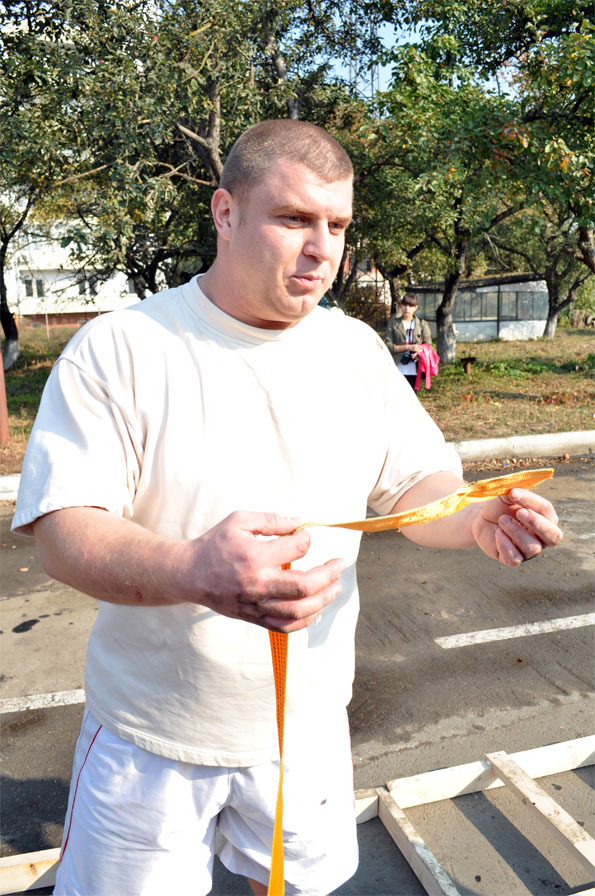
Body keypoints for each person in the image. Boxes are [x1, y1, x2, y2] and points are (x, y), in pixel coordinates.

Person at [12, 119, 562, 896]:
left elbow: (414, 485)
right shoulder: (122, 347)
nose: (321, 249)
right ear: (225, 212)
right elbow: (65, 530)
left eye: (336, 225)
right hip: (151, 734)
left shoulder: (355, 351)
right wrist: (191, 569)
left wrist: (475, 515)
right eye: (294, 218)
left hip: (306, 732)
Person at [385, 292, 433, 389]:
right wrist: (408, 347)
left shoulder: (422, 324)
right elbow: (388, 345)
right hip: (396, 367)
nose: (407, 308)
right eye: (405, 305)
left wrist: (419, 352)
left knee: (412, 397)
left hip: (415, 369)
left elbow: (428, 346)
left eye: (410, 306)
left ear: (415, 308)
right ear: (401, 305)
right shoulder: (393, 324)